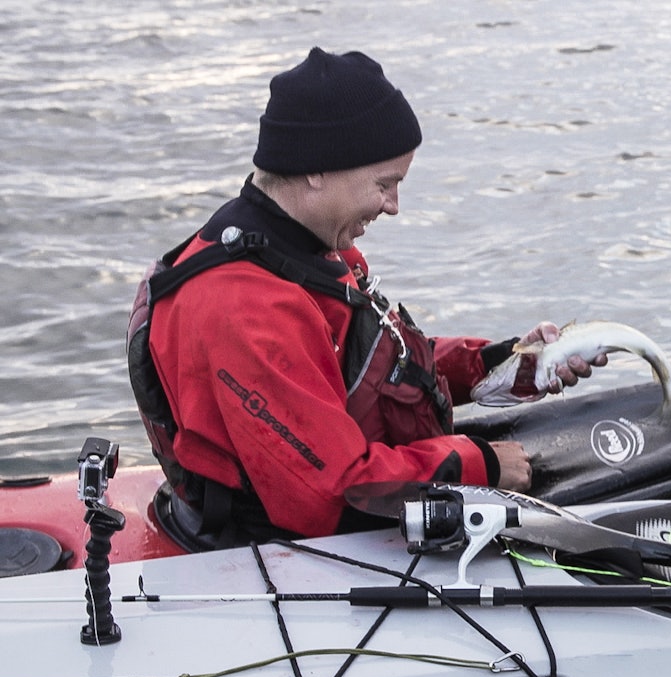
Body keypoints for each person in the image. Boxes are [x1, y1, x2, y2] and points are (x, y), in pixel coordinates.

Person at [129, 47, 603, 546]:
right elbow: (329, 494)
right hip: (262, 542)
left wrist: (506, 362)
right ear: (316, 168)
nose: (393, 206)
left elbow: (375, 360)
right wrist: (480, 464)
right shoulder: (245, 307)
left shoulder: (305, 245)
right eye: (385, 184)